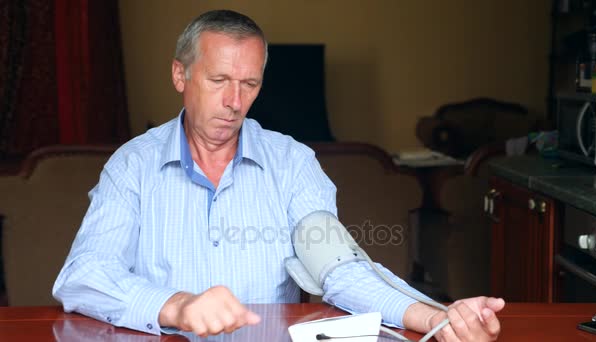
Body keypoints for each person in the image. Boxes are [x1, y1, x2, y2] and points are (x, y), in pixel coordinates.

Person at [53, 9, 504, 341]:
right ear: (180, 75)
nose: (234, 101)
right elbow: (84, 274)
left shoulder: (293, 163)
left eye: (249, 85)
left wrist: (434, 317)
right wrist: (178, 307)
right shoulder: (132, 165)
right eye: (218, 81)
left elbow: (339, 269)